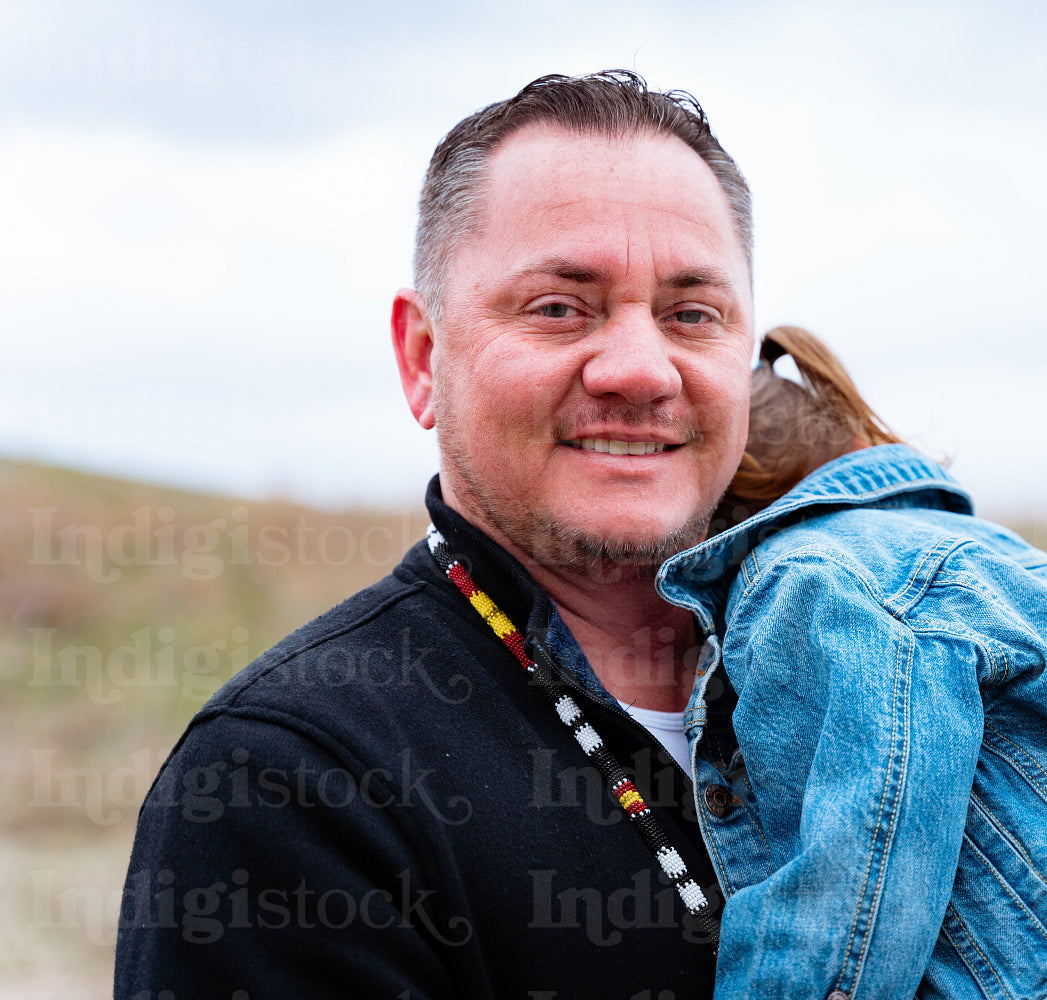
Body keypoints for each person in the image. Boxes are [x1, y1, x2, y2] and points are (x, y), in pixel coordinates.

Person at [115, 70, 753, 997]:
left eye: (691, 314)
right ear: (423, 358)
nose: (638, 369)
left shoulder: (891, 684)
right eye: (559, 308)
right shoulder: (287, 786)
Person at [655, 327, 1047, 999]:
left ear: (718, 515)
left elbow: (865, 846)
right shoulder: (1009, 558)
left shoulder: (811, 573)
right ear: (853, 443)